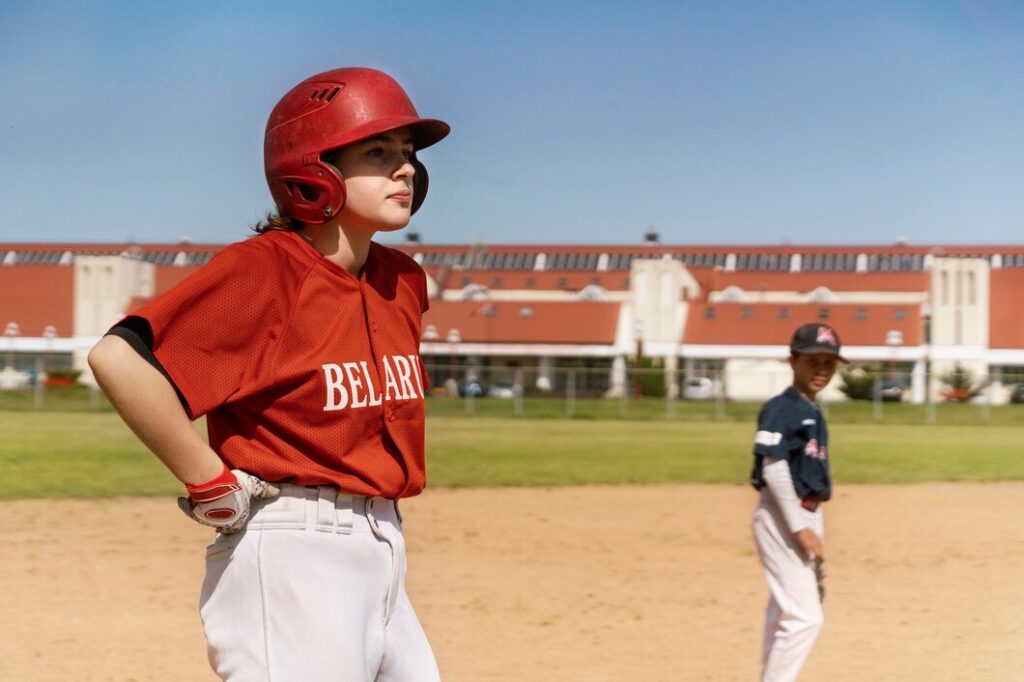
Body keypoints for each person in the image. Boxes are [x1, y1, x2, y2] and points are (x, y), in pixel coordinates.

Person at [88, 67, 449, 681]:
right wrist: (208, 481)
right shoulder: (266, 271)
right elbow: (120, 358)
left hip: (385, 547)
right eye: (377, 151)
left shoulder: (403, 280)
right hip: (294, 549)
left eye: (408, 154)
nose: (404, 169)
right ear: (313, 172)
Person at [749, 323, 846, 682]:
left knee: (783, 608)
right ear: (793, 361)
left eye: (829, 363)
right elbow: (773, 470)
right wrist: (799, 527)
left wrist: (810, 526)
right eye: (812, 361)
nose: (821, 370)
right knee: (806, 617)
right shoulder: (782, 408)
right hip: (782, 517)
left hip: (803, 514)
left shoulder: (811, 409)